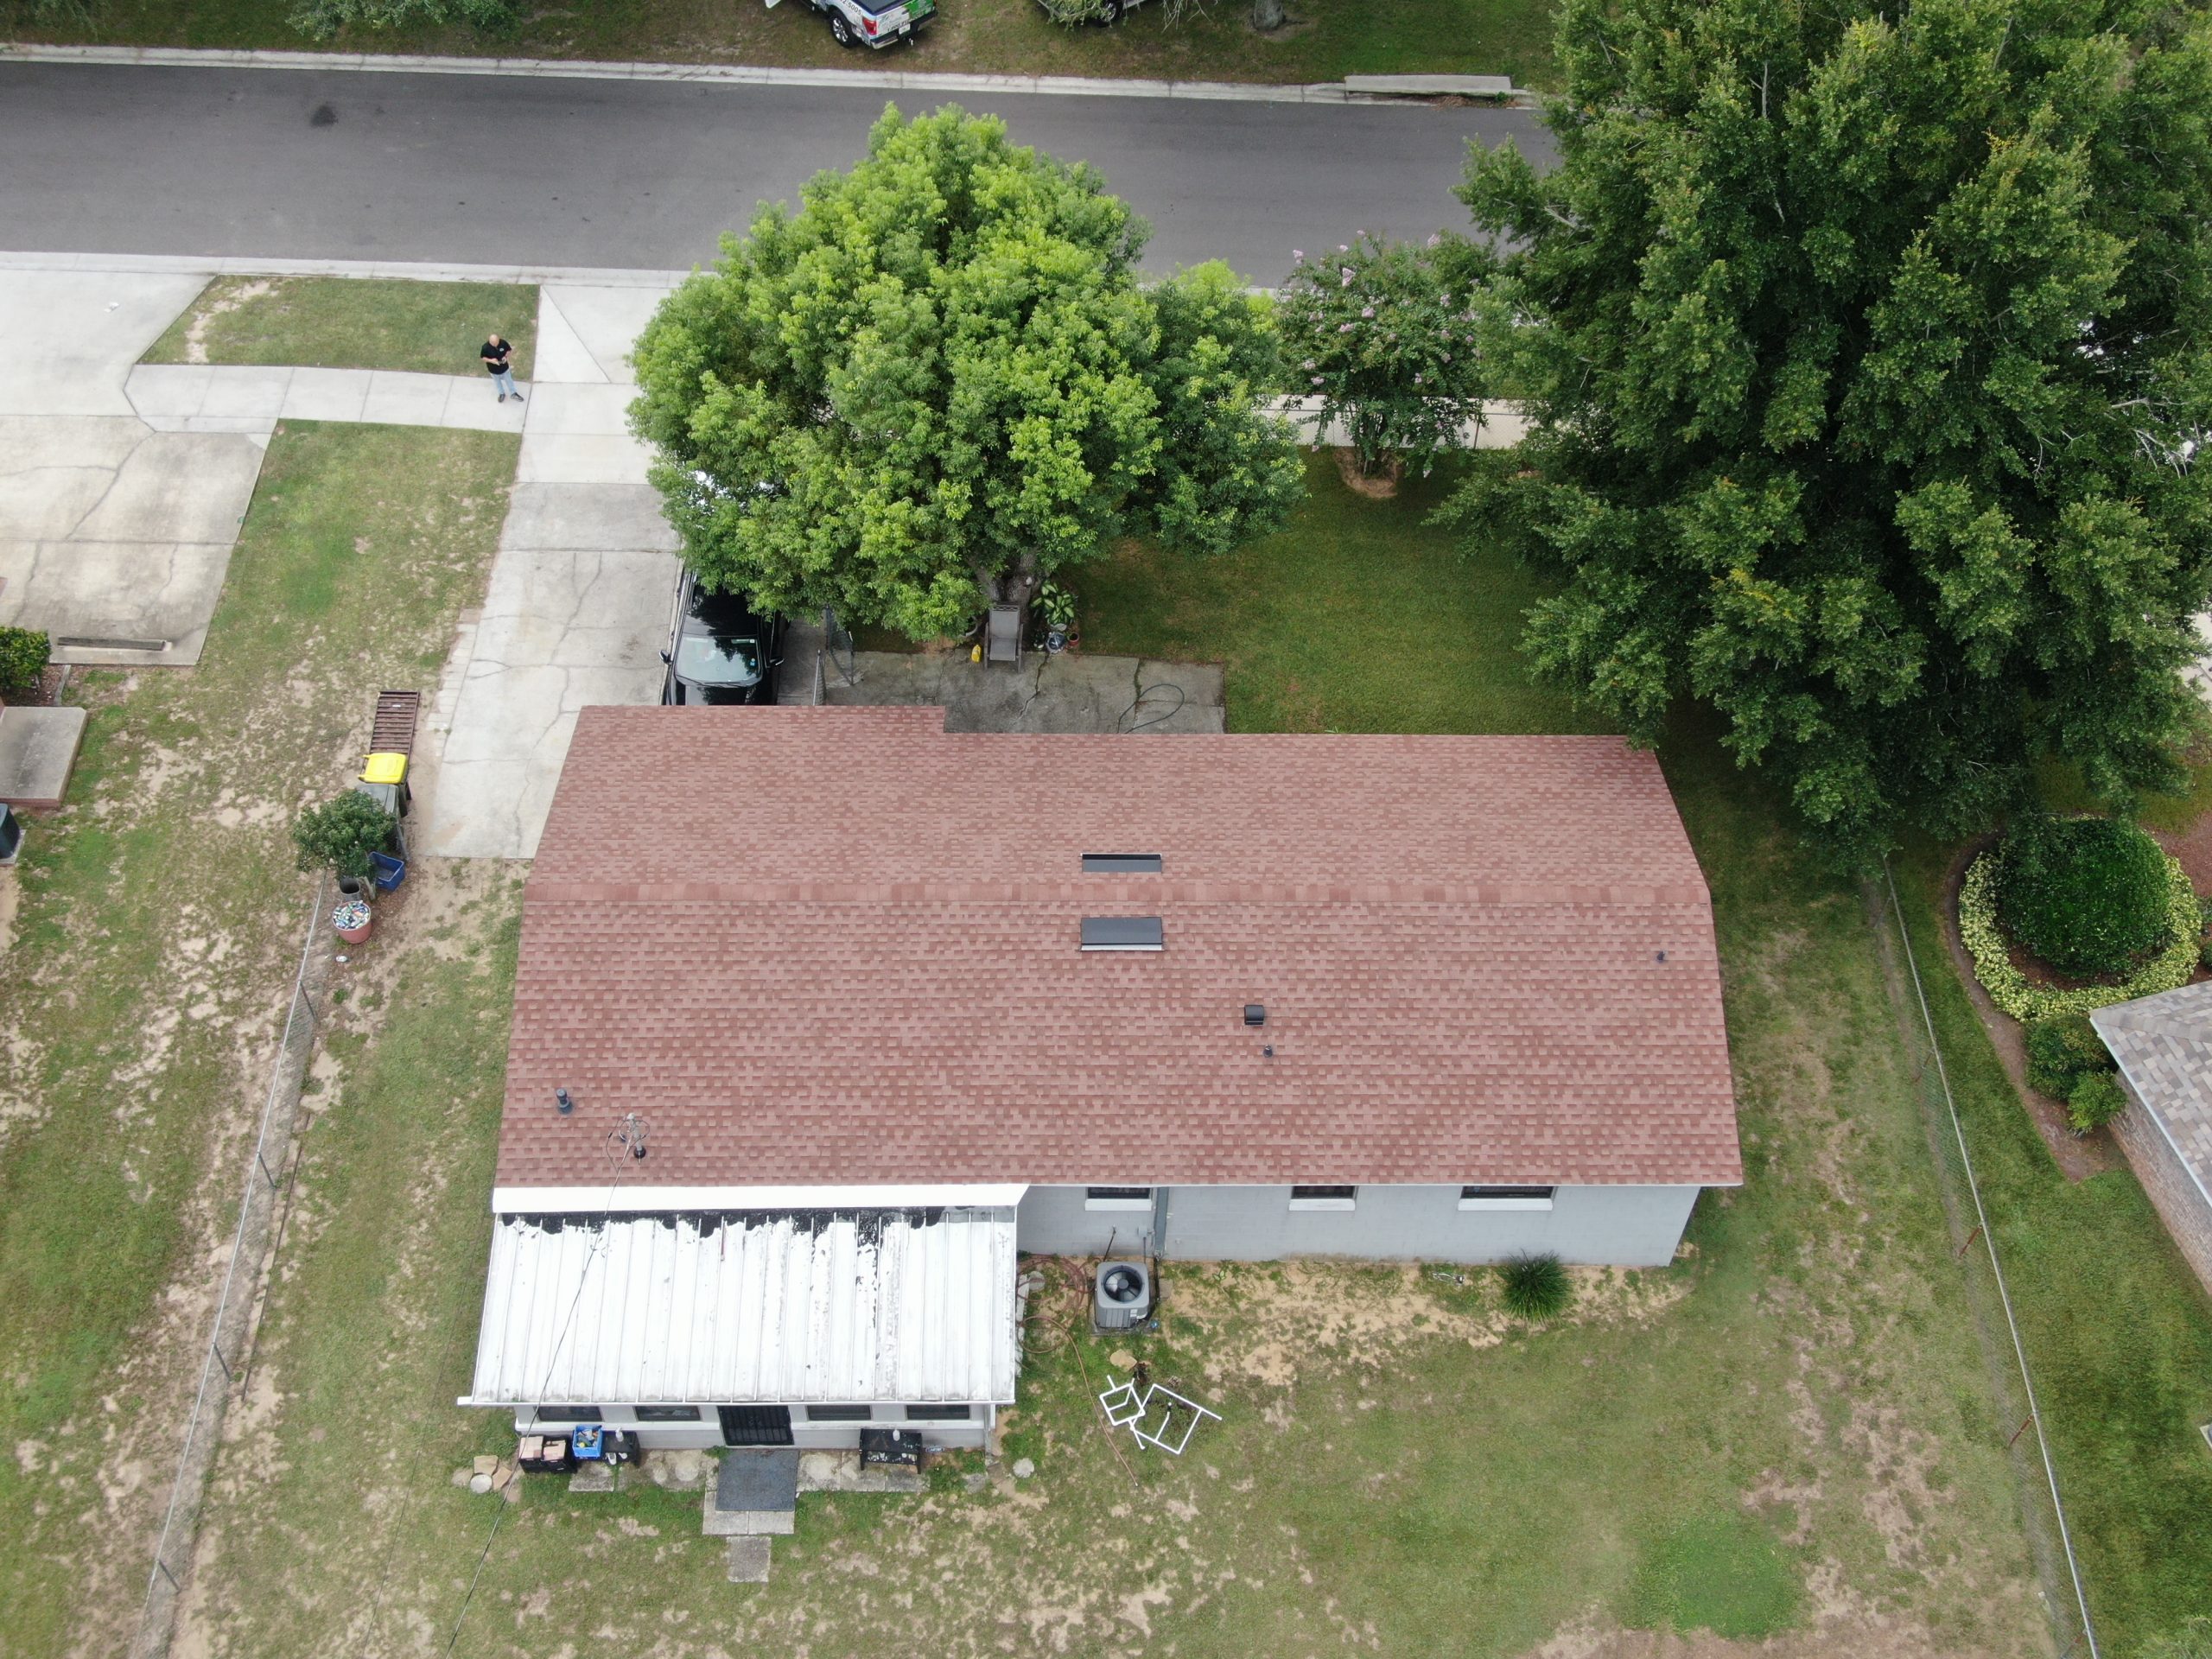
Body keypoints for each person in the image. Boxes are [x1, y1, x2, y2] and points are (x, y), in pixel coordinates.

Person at [480, 334, 522, 404]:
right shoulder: (485, 347)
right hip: (493, 370)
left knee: (509, 380)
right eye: (494, 344)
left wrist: (506, 357)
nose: (496, 345)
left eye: (497, 343)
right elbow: (483, 358)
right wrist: (491, 361)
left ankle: (513, 393)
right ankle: (501, 393)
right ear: (490, 342)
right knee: (497, 382)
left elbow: (509, 350)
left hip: (504, 368)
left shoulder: (503, 342)